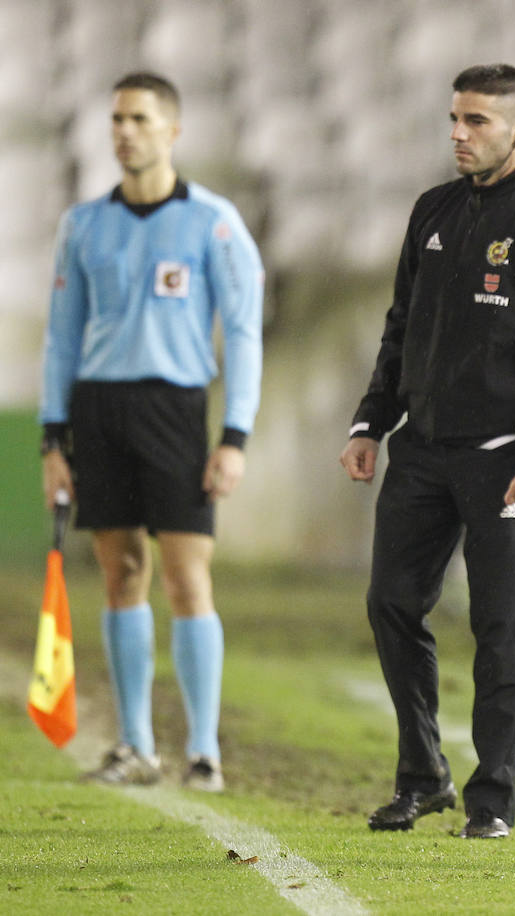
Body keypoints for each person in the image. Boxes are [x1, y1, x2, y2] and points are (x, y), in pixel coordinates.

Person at [340, 64, 515, 839]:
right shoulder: (432, 211)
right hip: (421, 453)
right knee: (391, 604)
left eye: (478, 122)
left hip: (508, 458)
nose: (459, 135)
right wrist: (369, 426)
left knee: (501, 628)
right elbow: (403, 329)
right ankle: (424, 776)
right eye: (454, 119)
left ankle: (491, 799)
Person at [39, 72, 264, 793]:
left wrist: (234, 435)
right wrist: (53, 440)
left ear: (172, 130)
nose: (124, 131)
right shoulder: (83, 226)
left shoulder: (214, 222)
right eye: (116, 119)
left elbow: (244, 331)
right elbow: (61, 340)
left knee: (185, 576)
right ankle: (135, 745)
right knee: (120, 574)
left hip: (176, 410)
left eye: (139, 118)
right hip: (100, 413)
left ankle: (203, 751)